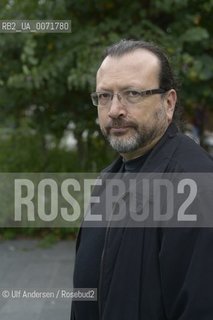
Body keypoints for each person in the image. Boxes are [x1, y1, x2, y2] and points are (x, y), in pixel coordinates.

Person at [70, 39, 213, 320]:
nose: (114, 110)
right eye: (104, 96)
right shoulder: (109, 182)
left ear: (168, 102)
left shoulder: (195, 188)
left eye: (132, 93)